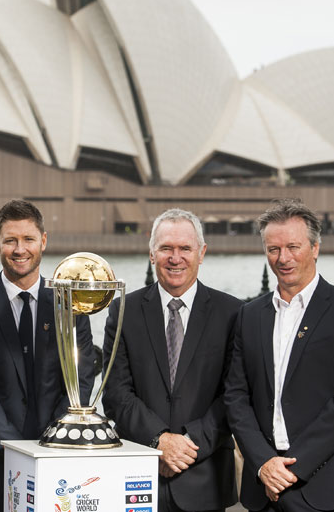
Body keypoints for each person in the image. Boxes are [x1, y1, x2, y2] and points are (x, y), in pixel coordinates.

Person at [224, 199, 334, 512]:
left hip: (324, 483)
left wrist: (291, 470)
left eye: (293, 247)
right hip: (263, 483)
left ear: (315, 248)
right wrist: (263, 463)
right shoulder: (249, 315)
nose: (284, 258)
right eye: (273, 249)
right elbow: (236, 397)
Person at [0, 199, 94, 512]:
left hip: (58, 462)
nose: (20, 249)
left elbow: (81, 378)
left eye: (28, 239)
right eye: (10, 240)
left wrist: (52, 443)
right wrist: (16, 453)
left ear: (43, 241)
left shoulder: (71, 302)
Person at [102, 208, 241, 512]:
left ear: (201, 253)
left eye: (185, 248)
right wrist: (159, 441)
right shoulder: (124, 309)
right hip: (135, 479)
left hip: (205, 478)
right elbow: (115, 392)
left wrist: (186, 446)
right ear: (152, 254)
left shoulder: (232, 313)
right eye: (166, 248)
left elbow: (234, 395)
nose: (175, 258)